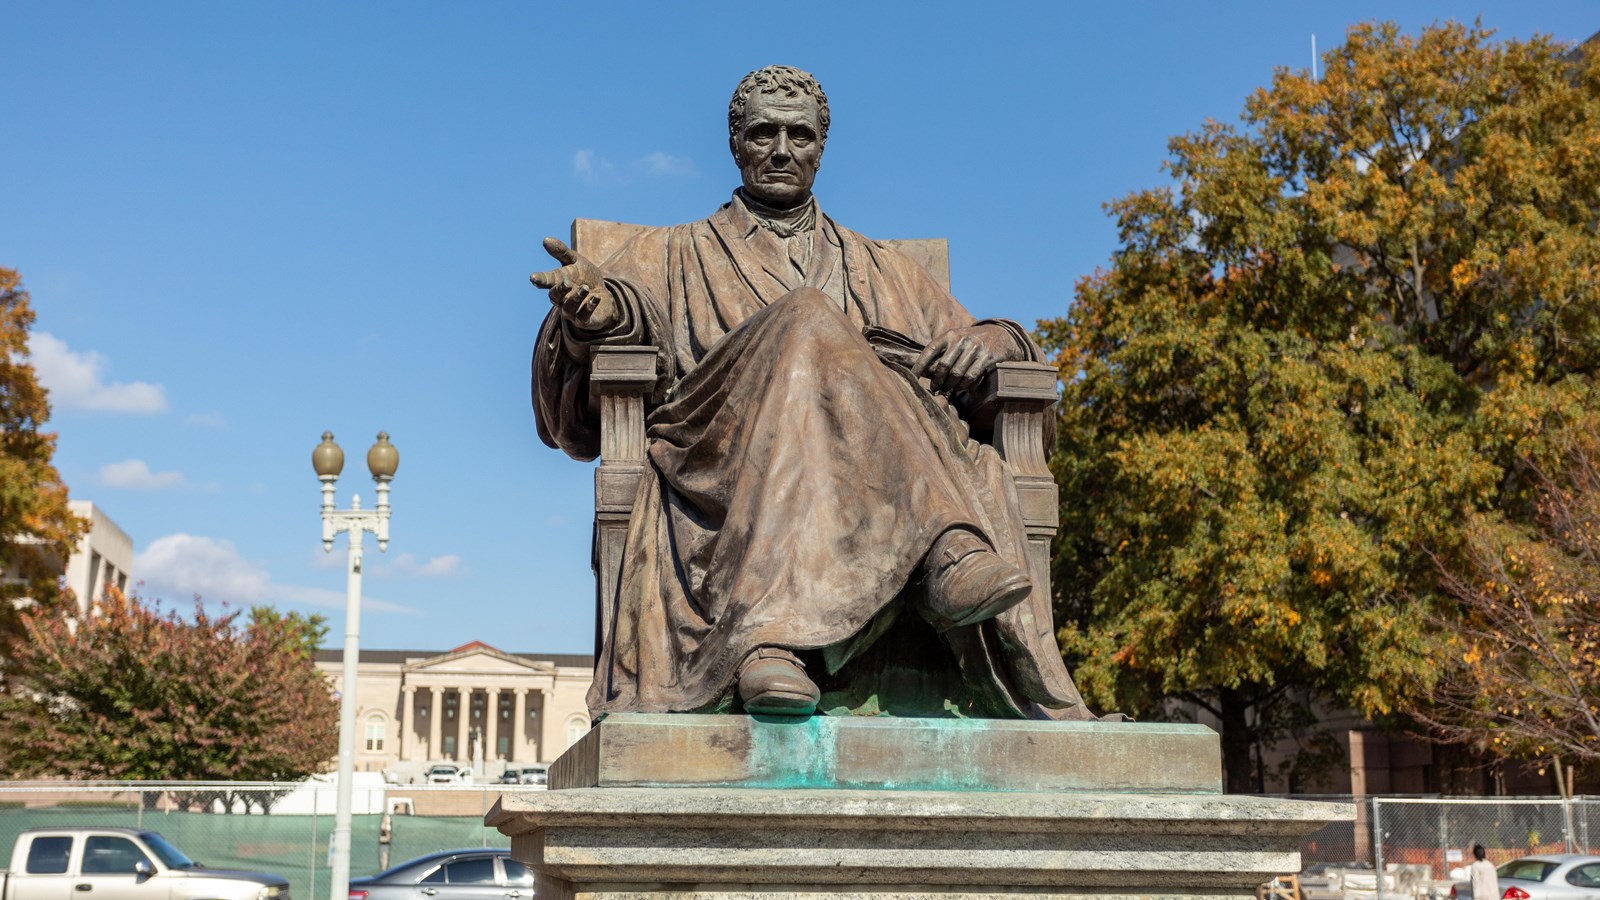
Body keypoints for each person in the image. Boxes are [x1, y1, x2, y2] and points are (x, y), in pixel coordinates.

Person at [530, 65, 1091, 721]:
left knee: (822, 327)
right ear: (735, 144)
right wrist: (596, 315)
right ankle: (946, 553)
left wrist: (995, 341)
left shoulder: (881, 266)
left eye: (800, 135)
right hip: (718, 463)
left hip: (868, 476)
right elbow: (621, 319)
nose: (781, 149)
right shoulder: (672, 252)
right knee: (806, 316)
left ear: (822, 147)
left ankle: (775, 646)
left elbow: (975, 336)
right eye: (763, 132)